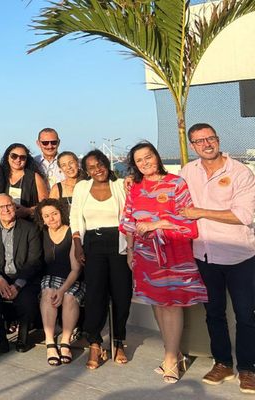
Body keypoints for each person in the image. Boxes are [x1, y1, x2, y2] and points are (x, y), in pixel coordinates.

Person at [120, 141, 208, 384]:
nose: (145, 163)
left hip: (174, 253)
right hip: (145, 255)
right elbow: (128, 220)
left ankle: (170, 359)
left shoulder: (176, 183)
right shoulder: (135, 186)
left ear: (156, 157)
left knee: (172, 304)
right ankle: (174, 354)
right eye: (139, 160)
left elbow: (188, 221)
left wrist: (156, 224)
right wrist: (130, 250)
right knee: (157, 304)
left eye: (148, 157)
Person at [179, 123, 255, 392]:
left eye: (210, 138)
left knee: (247, 316)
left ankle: (248, 369)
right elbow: (172, 196)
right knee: (214, 314)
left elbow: (244, 216)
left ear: (218, 139)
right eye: (199, 141)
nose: (206, 144)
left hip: (240, 257)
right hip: (204, 255)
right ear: (192, 146)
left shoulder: (240, 172)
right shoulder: (188, 171)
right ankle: (223, 363)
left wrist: (201, 212)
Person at [71, 149, 132, 369]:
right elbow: (74, 216)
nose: (97, 170)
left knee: (122, 295)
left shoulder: (120, 184)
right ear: (86, 171)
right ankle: (95, 343)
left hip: (120, 243)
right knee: (95, 295)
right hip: (92, 244)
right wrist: (77, 244)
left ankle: (118, 342)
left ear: (107, 163)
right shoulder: (81, 187)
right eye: (91, 167)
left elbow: (131, 212)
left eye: (100, 164)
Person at [0, 193, 42, 354]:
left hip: (24, 276)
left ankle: (23, 337)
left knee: (27, 300)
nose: (6, 209)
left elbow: (34, 261)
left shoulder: (30, 228)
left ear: (15, 207)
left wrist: (19, 284)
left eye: (9, 205)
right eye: (1, 207)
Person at [35, 198, 83, 366]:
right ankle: (50, 343)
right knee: (48, 292)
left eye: (54, 214)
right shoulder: (41, 233)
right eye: (46, 216)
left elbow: (75, 269)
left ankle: (65, 342)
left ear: (61, 213)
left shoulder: (72, 233)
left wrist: (62, 290)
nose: (51, 219)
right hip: (49, 277)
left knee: (70, 297)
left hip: (71, 278)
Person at [1, 143, 48, 221]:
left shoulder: (34, 177)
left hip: (29, 223)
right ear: (7, 157)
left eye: (22, 157)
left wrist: (28, 210)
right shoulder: (0, 175)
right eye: (14, 156)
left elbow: (45, 203)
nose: (18, 159)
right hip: (4, 223)